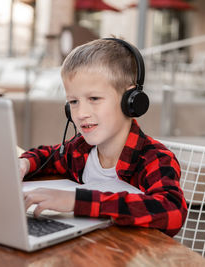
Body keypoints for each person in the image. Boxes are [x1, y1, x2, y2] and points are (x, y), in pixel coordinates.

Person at [19, 38, 187, 237]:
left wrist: (76, 201)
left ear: (131, 101)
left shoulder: (154, 158)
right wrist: (24, 164)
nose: (81, 113)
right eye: (73, 101)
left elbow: (172, 212)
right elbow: (49, 155)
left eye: (94, 99)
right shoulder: (79, 150)